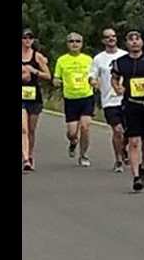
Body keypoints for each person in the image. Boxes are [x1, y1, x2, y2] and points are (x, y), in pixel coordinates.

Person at [114, 31, 144, 191]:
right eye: (131, 40)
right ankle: (136, 176)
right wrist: (117, 87)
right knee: (133, 141)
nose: (134, 42)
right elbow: (114, 78)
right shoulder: (121, 62)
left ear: (142, 42)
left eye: (137, 39)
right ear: (127, 44)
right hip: (131, 104)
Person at [88, 27, 128, 173]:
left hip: (127, 99)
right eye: (108, 37)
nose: (111, 39)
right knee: (118, 130)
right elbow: (92, 76)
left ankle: (123, 148)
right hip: (109, 100)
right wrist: (94, 82)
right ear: (103, 40)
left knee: (127, 132)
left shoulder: (125, 55)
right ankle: (118, 160)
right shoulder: (99, 59)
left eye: (113, 36)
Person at [54, 32, 97, 166]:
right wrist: (56, 82)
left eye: (77, 41)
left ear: (81, 44)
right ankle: (73, 142)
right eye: (71, 41)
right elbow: (56, 77)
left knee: (85, 127)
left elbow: (93, 75)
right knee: (72, 132)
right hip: (70, 99)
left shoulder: (88, 59)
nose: (74, 44)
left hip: (86, 97)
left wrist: (95, 82)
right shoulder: (62, 60)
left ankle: (84, 155)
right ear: (67, 44)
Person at [21, 29, 52, 172]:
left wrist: (34, 71)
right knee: (23, 129)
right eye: (24, 38)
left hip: (34, 95)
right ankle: (25, 158)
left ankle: (31, 154)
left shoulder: (37, 56)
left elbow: (48, 76)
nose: (27, 40)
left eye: (30, 38)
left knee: (31, 129)